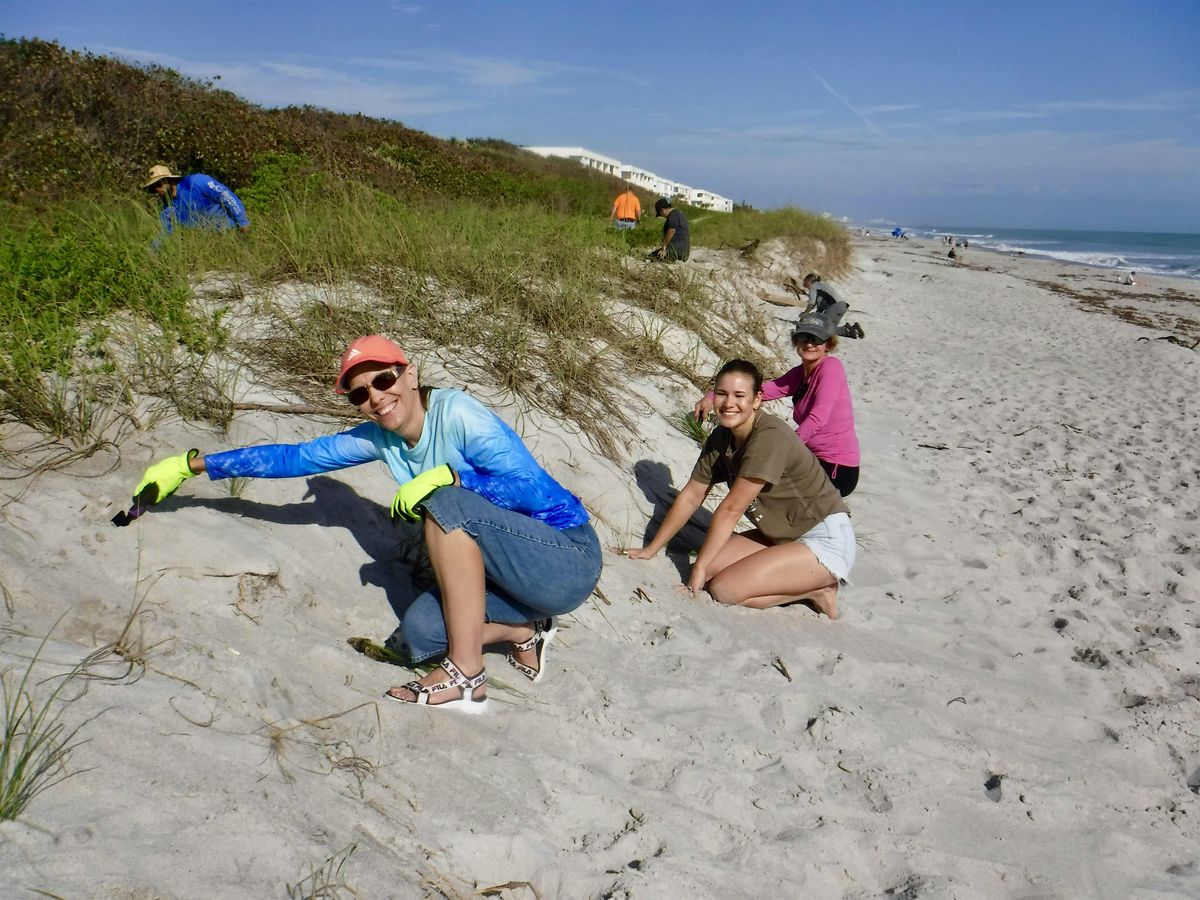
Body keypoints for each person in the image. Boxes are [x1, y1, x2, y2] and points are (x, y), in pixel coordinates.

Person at [127, 335, 602, 713]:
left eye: (384, 379)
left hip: (566, 560)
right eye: (360, 393)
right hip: (506, 575)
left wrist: (453, 478)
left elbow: (534, 489)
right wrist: (194, 465)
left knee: (447, 504)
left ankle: (466, 676)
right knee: (419, 635)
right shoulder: (381, 437)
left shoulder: (458, 414)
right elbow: (297, 457)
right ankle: (526, 631)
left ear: (410, 374)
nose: (376, 397)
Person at [626, 359, 854, 617]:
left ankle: (818, 588)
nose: (728, 403)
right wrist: (650, 550)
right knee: (709, 570)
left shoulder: (768, 436)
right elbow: (691, 495)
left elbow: (731, 510)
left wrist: (699, 568)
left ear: (757, 400)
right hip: (780, 537)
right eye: (721, 394)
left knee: (724, 590)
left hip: (824, 539)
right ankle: (795, 573)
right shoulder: (722, 437)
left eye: (739, 395)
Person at [695, 313, 860, 496]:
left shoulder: (831, 367)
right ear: (795, 340)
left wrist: (786, 447)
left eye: (816, 338)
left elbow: (818, 418)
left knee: (759, 483)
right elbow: (761, 392)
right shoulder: (800, 373)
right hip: (810, 457)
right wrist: (712, 397)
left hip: (836, 467)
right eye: (803, 336)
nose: (809, 343)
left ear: (828, 344)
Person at [144, 165, 250, 239]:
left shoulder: (196, 182)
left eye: (159, 184)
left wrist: (243, 222)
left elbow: (226, 197)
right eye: (153, 188)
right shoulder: (167, 211)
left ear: (169, 180)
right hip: (211, 243)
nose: (158, 190)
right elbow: (164, 234)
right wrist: (151, 253)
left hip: (233, 231)